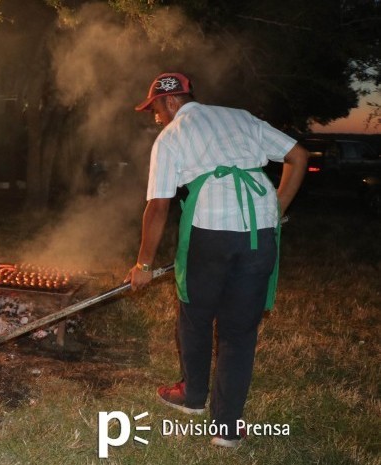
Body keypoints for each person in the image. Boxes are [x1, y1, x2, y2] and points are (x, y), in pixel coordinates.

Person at [126, 72, 308, 447]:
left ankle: (192, 397)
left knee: (195, 313)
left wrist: (143, 266)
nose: (155, 117)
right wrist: (276, 208)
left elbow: (158, 206)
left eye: (155, 109)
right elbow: (298, 156)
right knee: (239, 331)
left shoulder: (172, 135)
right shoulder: (240, 116)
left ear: (171, 101)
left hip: (210, 230)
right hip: (260, 231)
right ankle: (226, 429)